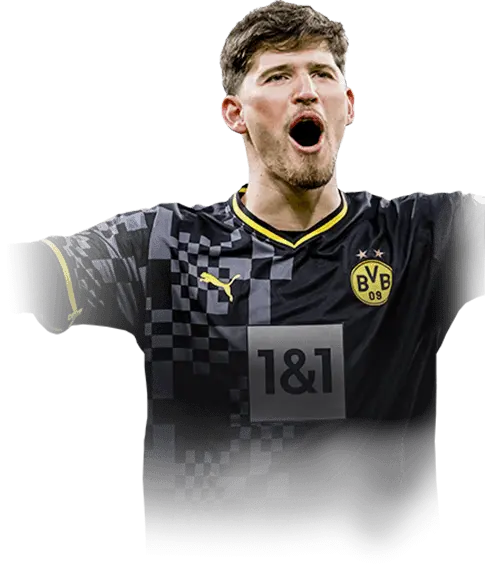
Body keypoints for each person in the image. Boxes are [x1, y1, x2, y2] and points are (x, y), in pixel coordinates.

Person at [8, 0, 485, 559]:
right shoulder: (161, 242)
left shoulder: (425, 236)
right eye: (279, 76)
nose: (305, 91)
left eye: (322, 74)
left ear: (348, 105)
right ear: (235, 113)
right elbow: (28, 274)